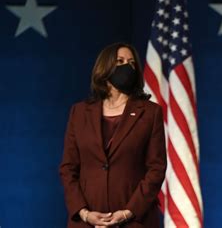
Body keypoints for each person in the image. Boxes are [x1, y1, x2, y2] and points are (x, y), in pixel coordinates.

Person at [59, 42, 167, 227]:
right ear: (105, 67)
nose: (127, 67)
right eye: (120, 61)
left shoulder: (150, 112)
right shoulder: (79, 112)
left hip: (134, 221)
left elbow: (156, 169)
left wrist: (127, 213)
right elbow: (68, 168)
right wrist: (84, 213)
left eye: (132, 63)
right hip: (87, 222)